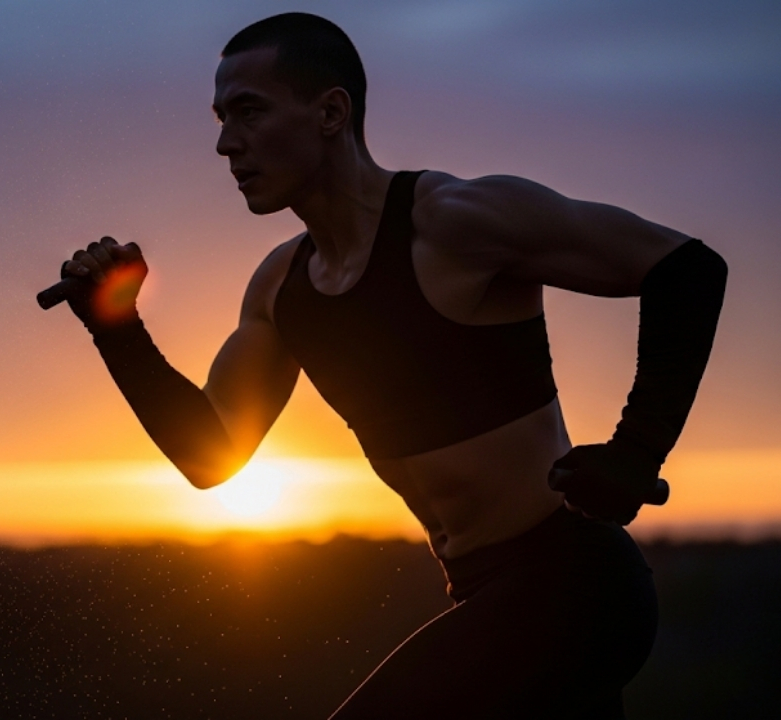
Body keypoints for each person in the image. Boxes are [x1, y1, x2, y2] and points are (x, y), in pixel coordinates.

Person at [48, 12, 726, 719]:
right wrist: (116, 329)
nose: (225, 143)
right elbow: (210, 454)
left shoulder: (456, 221)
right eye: (220, 119)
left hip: (575, 589)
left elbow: (686, 268)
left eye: (248, 112)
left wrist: (637, 448)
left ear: (331, 113)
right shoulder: (282, 292)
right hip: (483, 593)